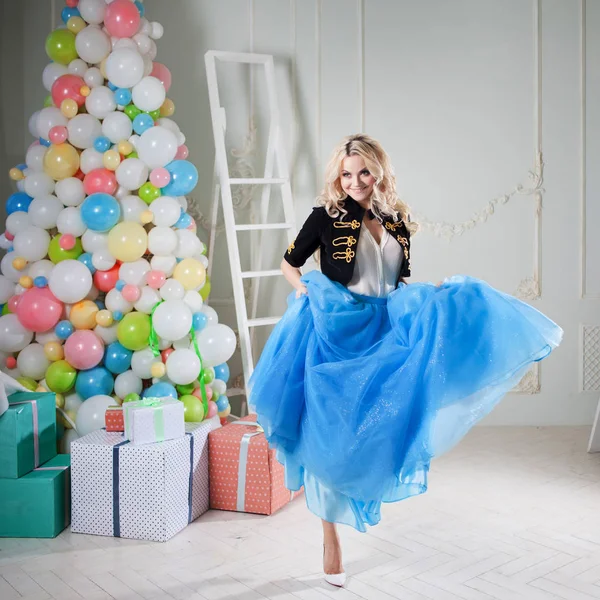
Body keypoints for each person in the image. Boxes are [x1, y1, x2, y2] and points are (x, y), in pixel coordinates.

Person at [248, 134, 563, 587]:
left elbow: (402, 277)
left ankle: (360, 493)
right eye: (346, 173)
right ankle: (330, 534)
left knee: (376, 426)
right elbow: (289, 263)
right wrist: (304, 291)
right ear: (339, 176)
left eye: (364, 172)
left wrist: (424, 298)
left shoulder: (396, 218)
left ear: (378, 172)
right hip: (338, 326)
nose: (355, 181)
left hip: (389, 324)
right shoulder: (325, 217)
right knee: (328, 428)